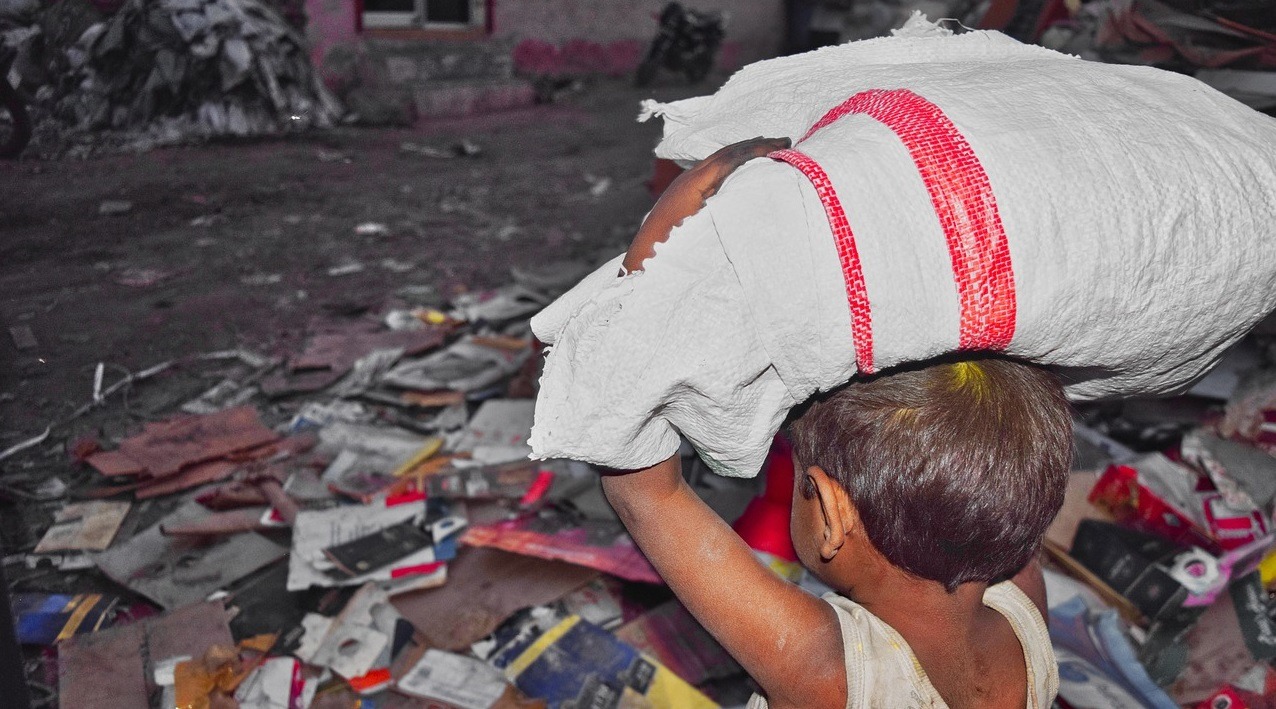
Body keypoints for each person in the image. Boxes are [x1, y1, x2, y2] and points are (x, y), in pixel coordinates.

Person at [601, 138, 1070, 708]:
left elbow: (644, 490)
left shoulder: (828, 671)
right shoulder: (1027, 621)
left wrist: (679, 209)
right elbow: (1005, 439)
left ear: (830, 511)